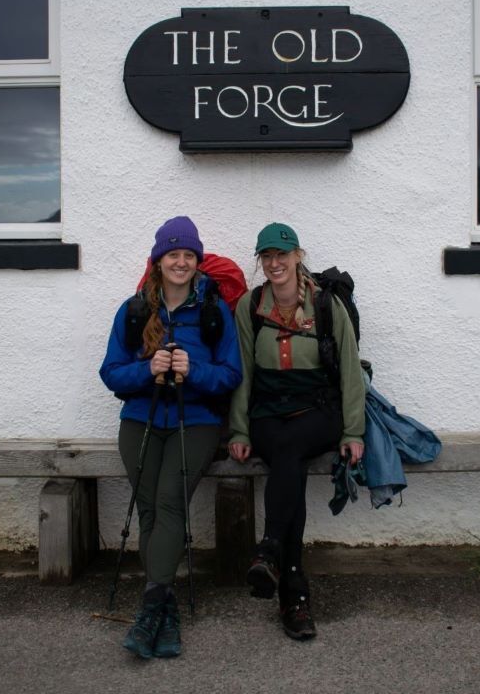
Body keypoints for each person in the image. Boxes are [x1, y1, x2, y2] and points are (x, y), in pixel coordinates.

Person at [100, 216, 242, 660]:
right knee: (148, 512)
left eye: (188, 255)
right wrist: (150, 369)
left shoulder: (213, 311)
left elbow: (232, 374)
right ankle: (165, 610)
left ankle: (150, 608)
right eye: (172, 254)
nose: (180, 262)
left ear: (197, 262)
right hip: (140, 420)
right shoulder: (135, 309)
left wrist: (191, 371)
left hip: (194, 421)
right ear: (158, 261)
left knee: (168, 504)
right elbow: (111, 372)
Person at [227, 222, 366, 640]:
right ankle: (293, 593)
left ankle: (269, 547)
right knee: (288, 456)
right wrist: (239, 430)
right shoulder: (249, 306)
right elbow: (243, 374)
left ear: (298, 256)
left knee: (290, 450)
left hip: (318, 410)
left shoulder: (326, 305)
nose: (274, 263)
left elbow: (349, 370)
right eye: (266, 257)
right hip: (269, 411)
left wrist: (353, 432)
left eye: (281, 255)